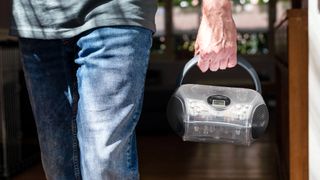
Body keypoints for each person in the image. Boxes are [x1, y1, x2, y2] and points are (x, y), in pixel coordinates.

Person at [10, 0, 237, 179]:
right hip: (38, 22)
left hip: (116, 14)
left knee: (103, 162)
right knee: (58, 164)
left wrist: (217, 9)